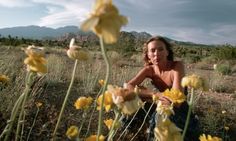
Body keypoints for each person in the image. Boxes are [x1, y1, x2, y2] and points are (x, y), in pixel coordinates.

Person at [124, 36, 199, 141]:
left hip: (179, 110)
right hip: (161, 103)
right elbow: (127, 86)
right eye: (152, 50)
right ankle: (127, 134)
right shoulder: (149, 70)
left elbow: (176, 101)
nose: (156, 53)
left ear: (167, 52)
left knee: (161, 114)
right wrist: (153, 95)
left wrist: (143, 94)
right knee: (128, 100)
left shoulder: (177, 66)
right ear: (148, 55)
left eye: (161, 49)